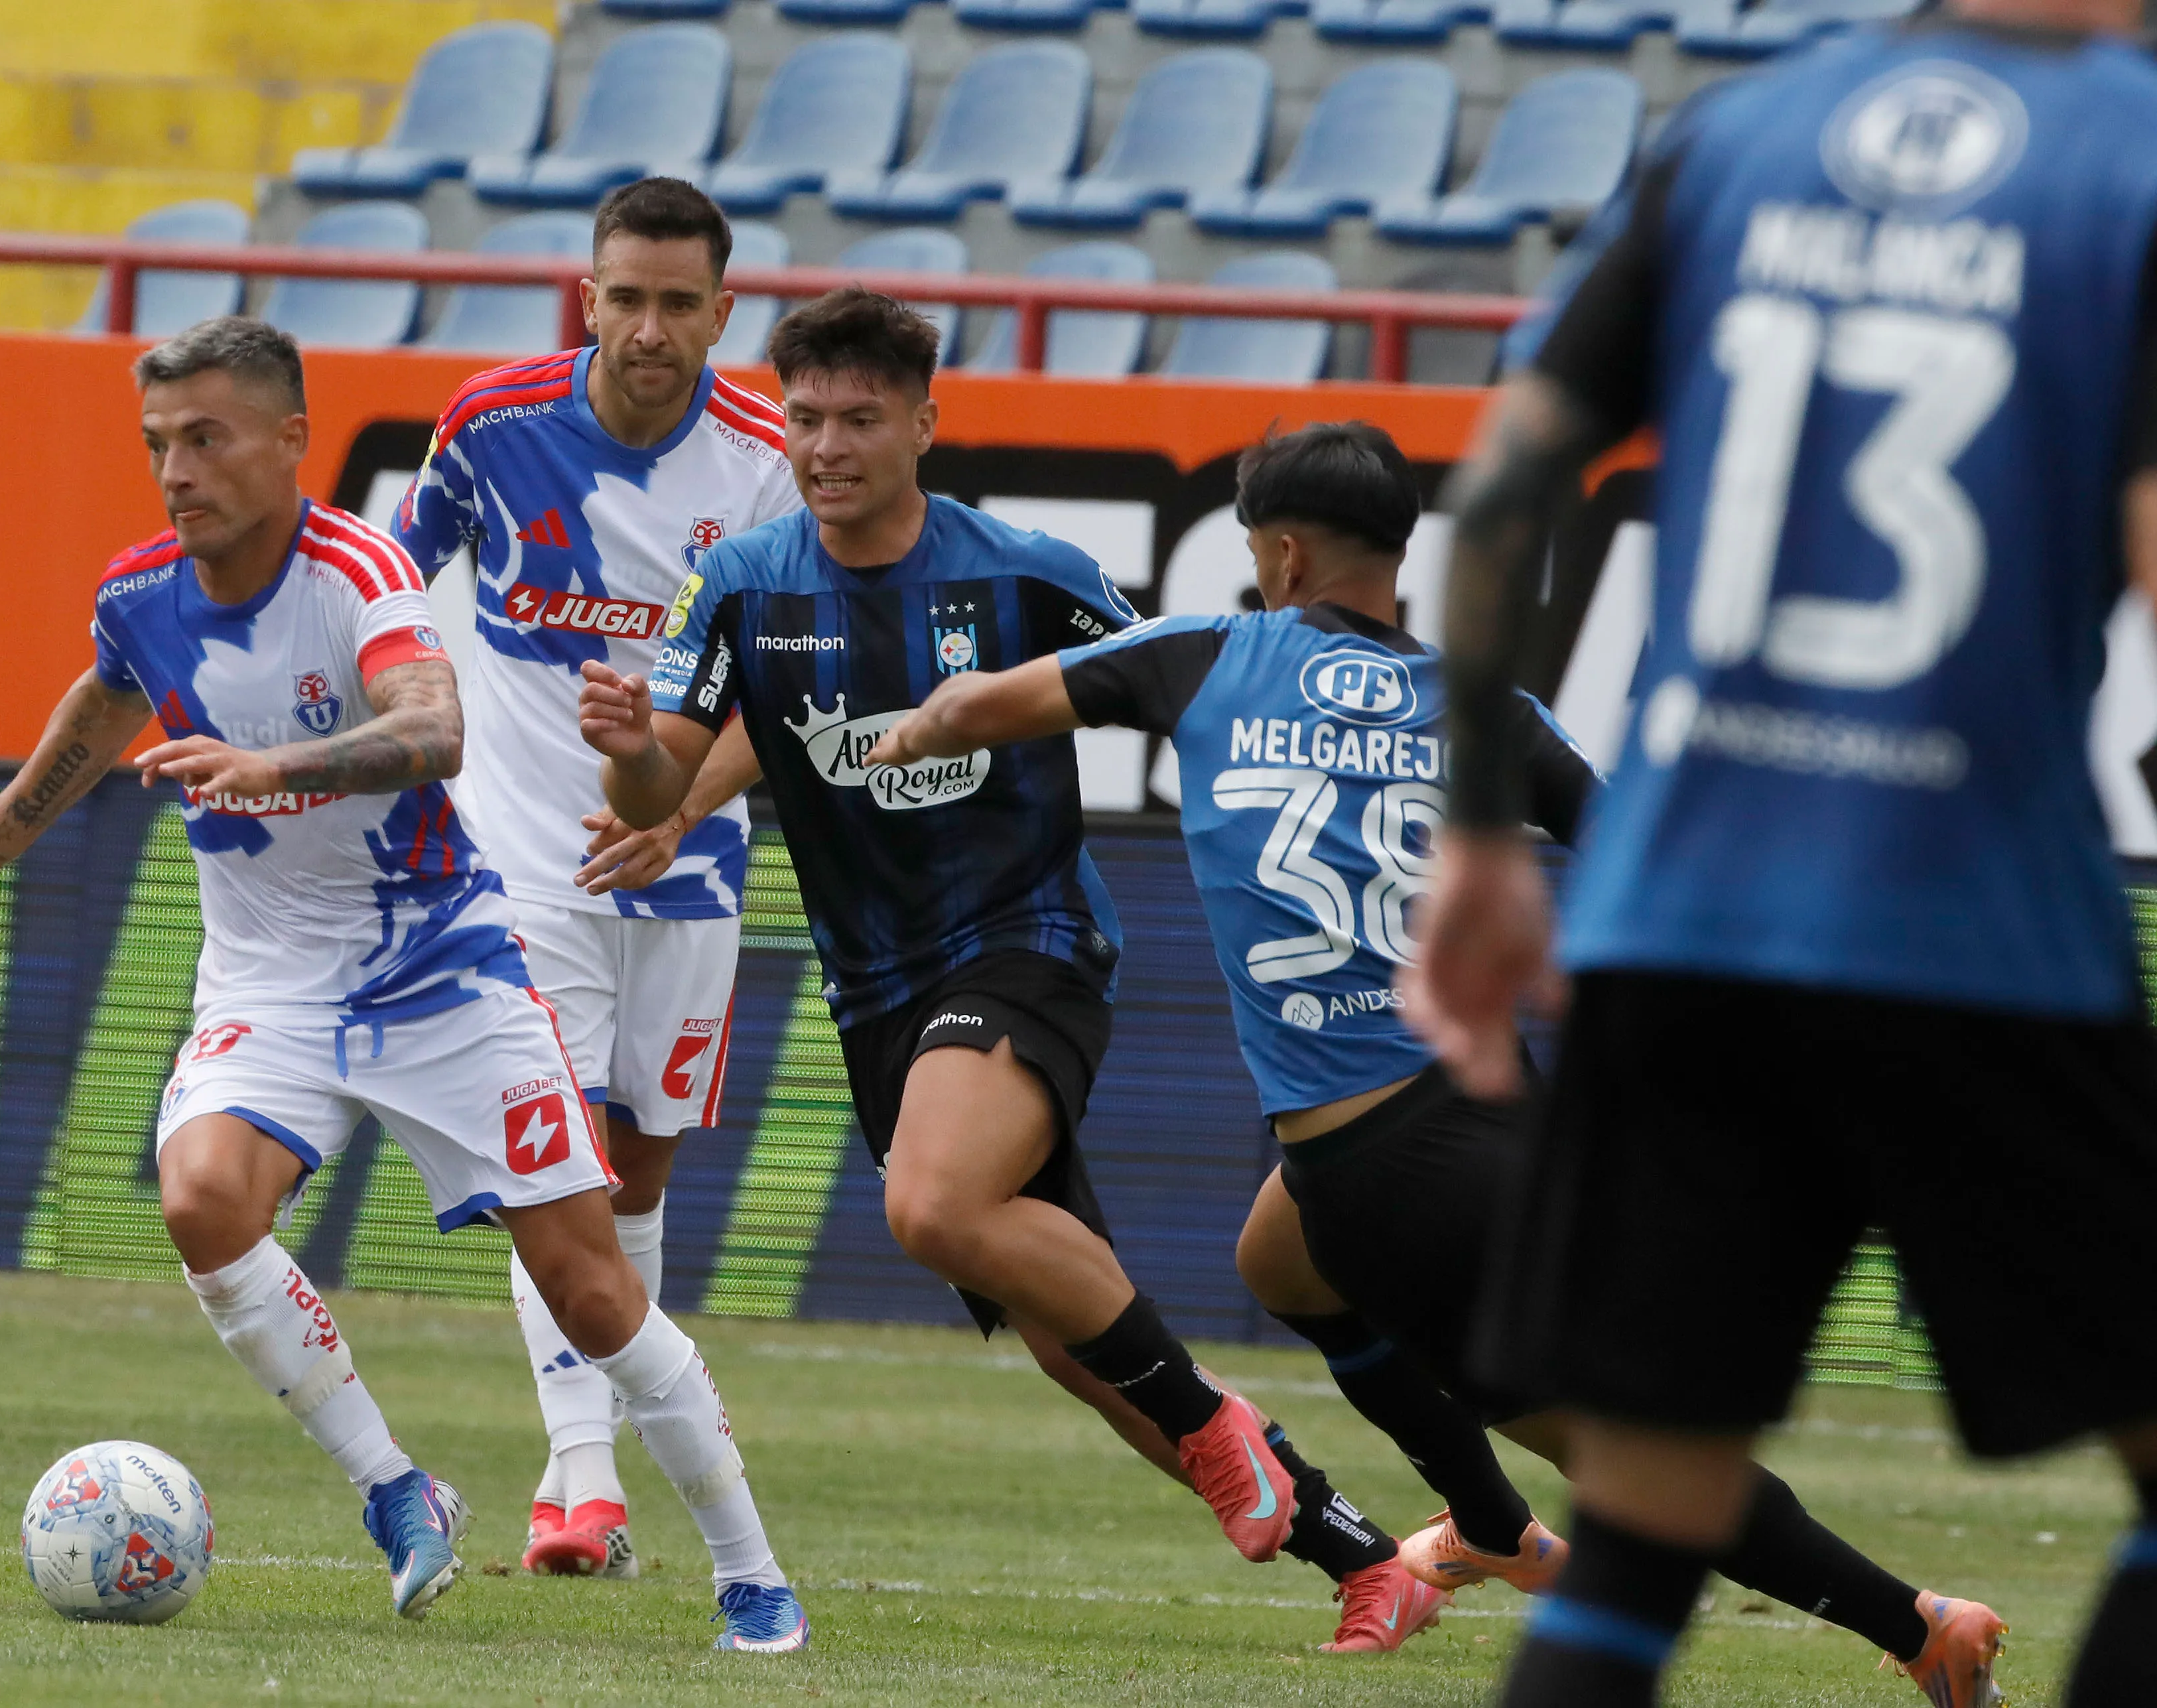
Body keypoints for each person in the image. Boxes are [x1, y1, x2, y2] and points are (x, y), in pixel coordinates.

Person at [870, 419, 2010, 1697]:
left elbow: (979, 704)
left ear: (1283, 554)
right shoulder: (1489, 709)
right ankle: (1486, 1524)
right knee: (1277, 1262)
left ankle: (1916, 1624)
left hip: (1388, 1175)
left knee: (1627, 1458)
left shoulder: (1209, 656)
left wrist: (905, 738)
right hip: (1479, 1105)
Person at [1404, 0, 2157, 1699]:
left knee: (1648, 1516)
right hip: (1977, 930)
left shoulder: (1741, 135)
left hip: (1679, 926)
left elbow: (1512, 479)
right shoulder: (2134, 158)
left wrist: (1475, 837)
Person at [0, 316, 809, 1652]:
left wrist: (282, 769)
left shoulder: (359, 570)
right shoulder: (141, 590)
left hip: (443, 968)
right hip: (273, 980)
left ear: (290, 439)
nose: (177, 472)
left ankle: (752, 1575)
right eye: (157, 446)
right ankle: (396, 1489)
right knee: (200, 1198)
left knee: (592, 1289)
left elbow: (434, 728)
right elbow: (102, 700)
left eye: (206, 440)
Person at [577, 286, 1445, 1648]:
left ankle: (1229, 1434)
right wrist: (635, 749)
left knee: (933, 1203)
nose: (827, 446)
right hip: (875, 994)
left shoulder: (1027, 572)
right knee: (1077, 1341)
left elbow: (1189, 686)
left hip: (1025, 945)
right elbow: (650, 794)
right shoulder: (742, 583)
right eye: (805, 418)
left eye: (862, 419)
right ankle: (1365, 1559)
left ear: (926, 423)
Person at [393, 176, 795, 1581]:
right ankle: (580, 1482)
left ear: (723, 314)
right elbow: (389, 582)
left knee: (635, 1175)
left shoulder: (763, 465)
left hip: (688, 877)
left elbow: (797, 691)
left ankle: (603, 1473)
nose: (648, 328)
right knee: (549, 1160)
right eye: (625, 297)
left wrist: (684, 810)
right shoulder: (492, 428)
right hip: (519, 871)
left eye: (680, 304)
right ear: (588, 296)